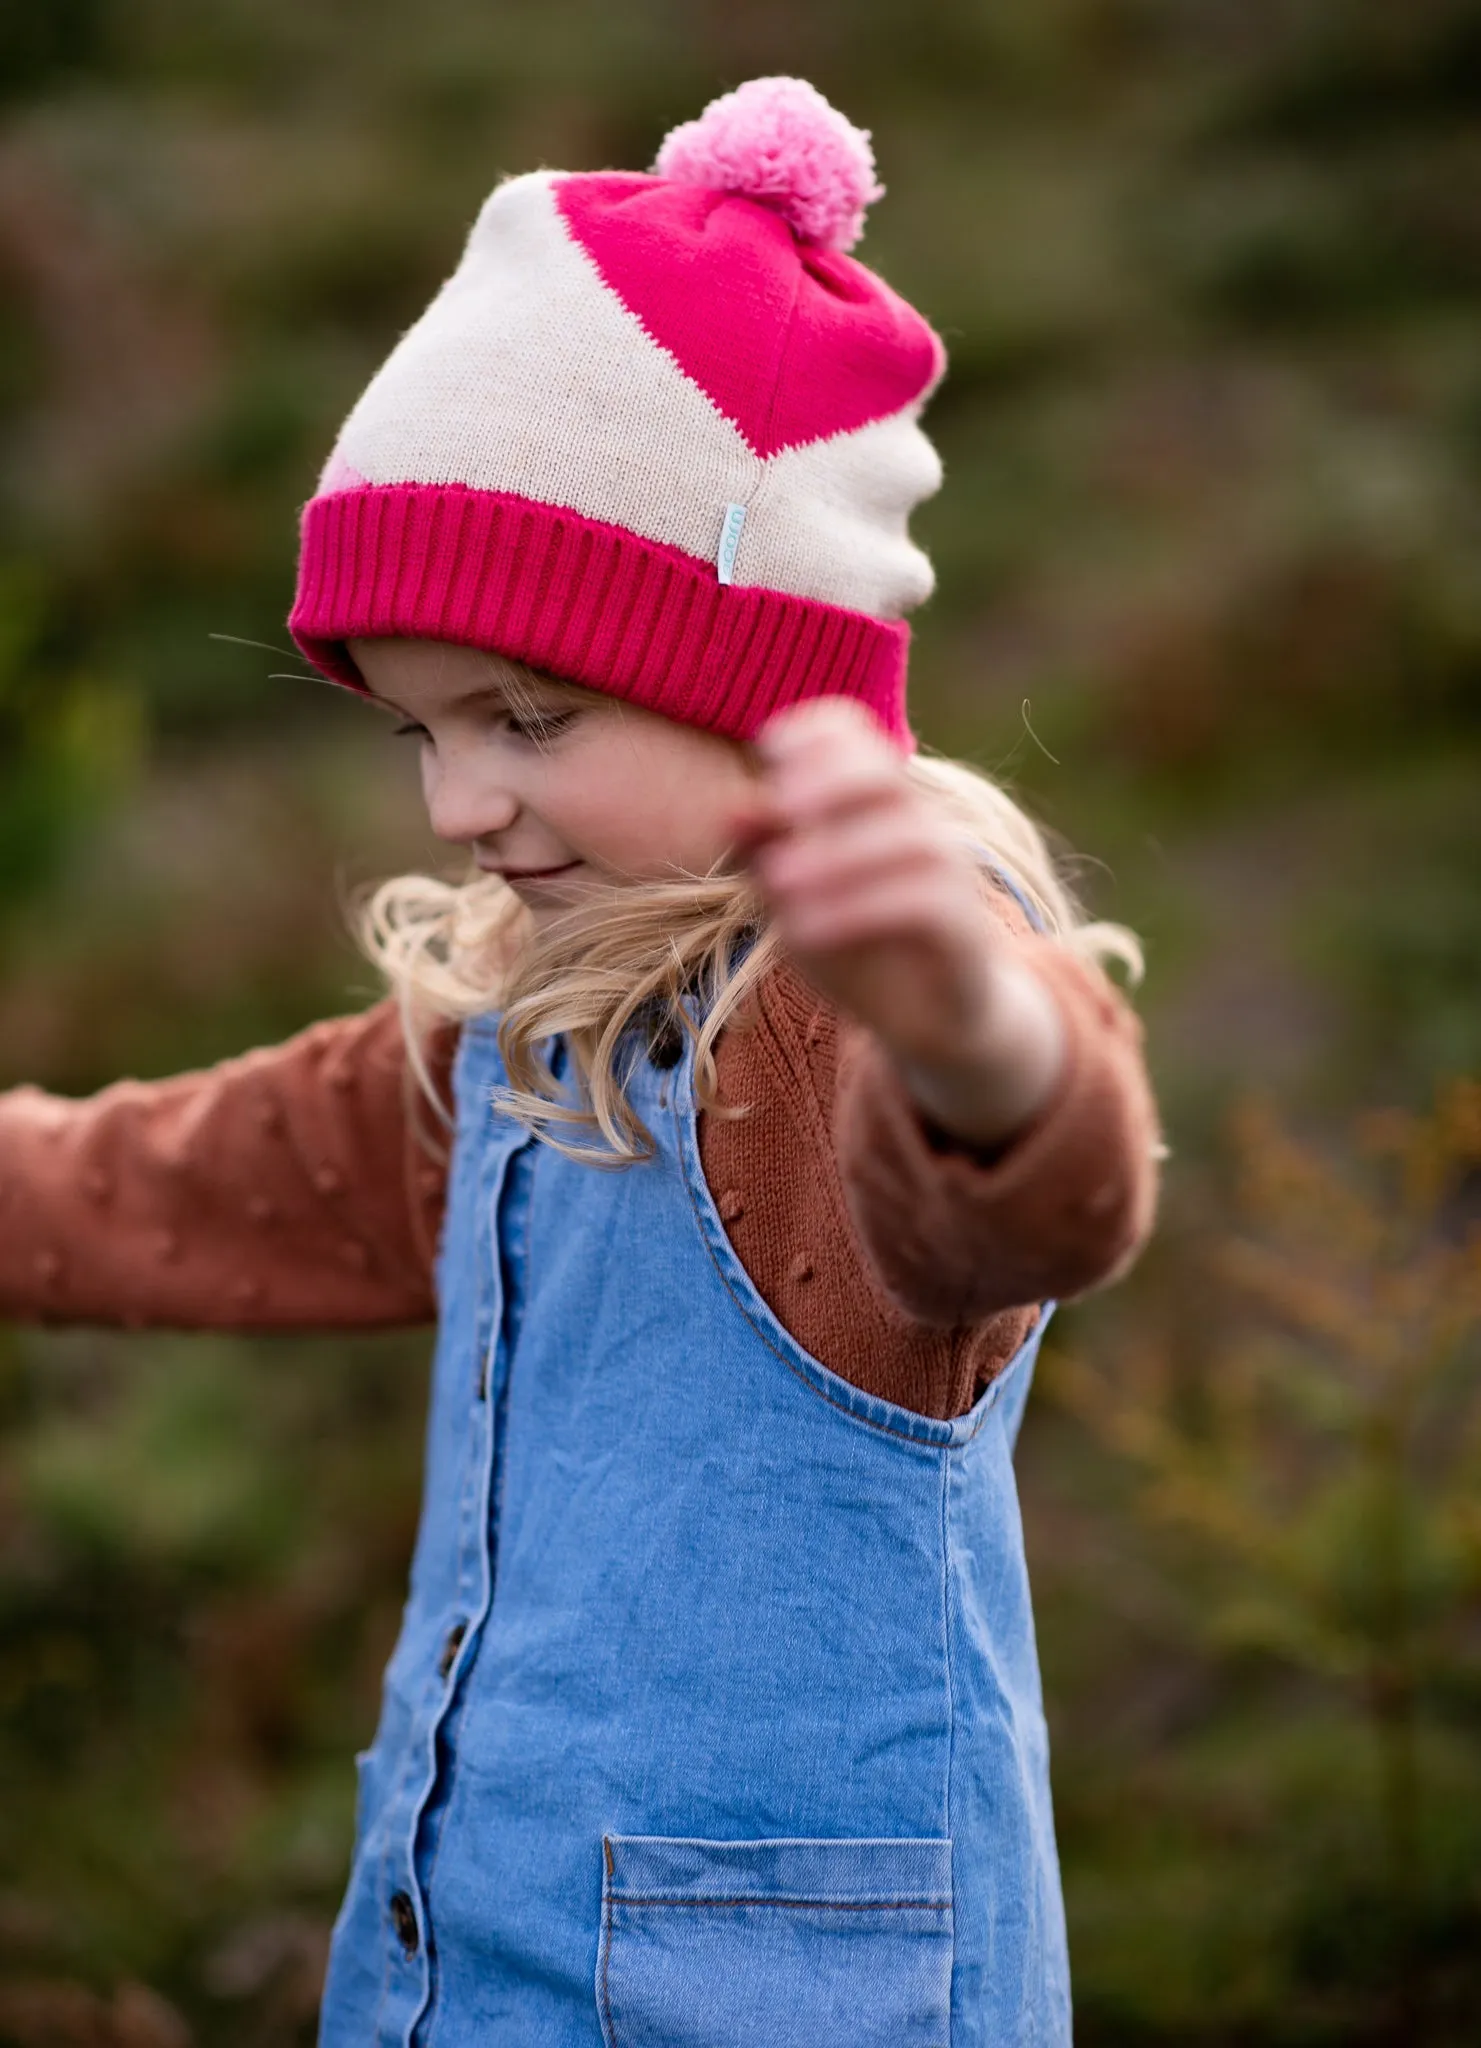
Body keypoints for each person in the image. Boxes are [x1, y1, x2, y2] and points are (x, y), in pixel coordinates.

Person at [0, 76, 1160, 2048]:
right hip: (466, 1974)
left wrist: (964, 1024)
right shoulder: (516, 1050)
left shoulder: (823, 1015)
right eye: (416, 730)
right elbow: (149, 1182)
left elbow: (1010, 1181)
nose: (456, 799)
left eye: (526, 716)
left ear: (761, 678)